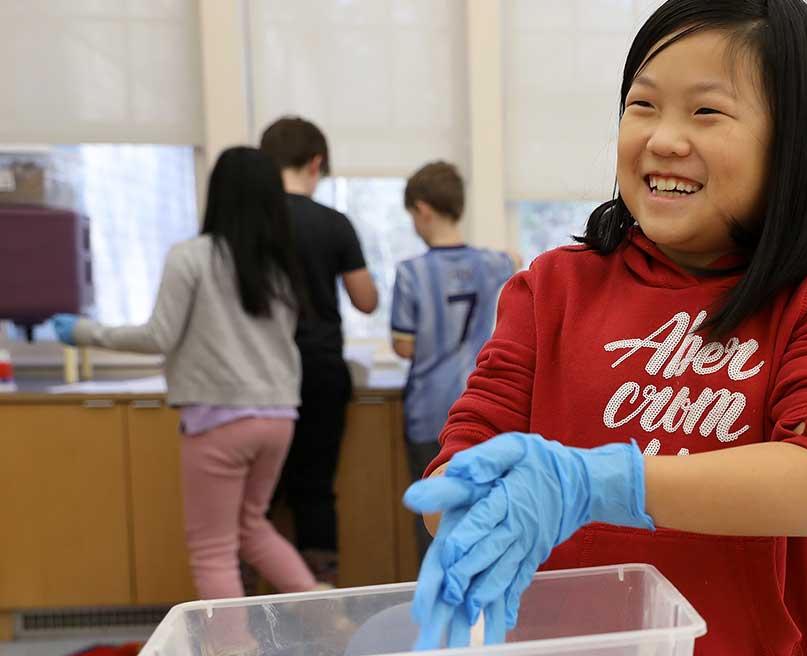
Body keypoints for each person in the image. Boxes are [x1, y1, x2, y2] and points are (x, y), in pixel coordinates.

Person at [402, 0, 807, 656]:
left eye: (706, 112)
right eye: (643, 105)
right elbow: (453, 474)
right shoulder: (552, 288)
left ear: (795, 143)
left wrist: (600, 482)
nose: (663, 139)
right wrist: (474, 514)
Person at [51, 147, 322, 602]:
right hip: (278, 418)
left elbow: (159, 336)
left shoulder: (192, 256)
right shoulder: (281, 267)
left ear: (217, 194)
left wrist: (85, 332)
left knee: (212, 550)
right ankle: (322, 613)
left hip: (219, 420)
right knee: (251, 528)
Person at [260, 116, 378, 586]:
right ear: (316, 163)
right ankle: (318, 605)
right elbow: (365, 300)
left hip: (261, 376)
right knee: (315, 492)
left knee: (259, 503)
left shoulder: (250, 227)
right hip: (320, 371)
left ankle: (247, 617)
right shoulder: (333, 224)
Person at [389, 161, 518, 558]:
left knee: (434, 516)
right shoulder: (498, 263)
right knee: (487, 514)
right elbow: (518, 267)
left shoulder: (411, 272)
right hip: (487, 409)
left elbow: (404, 346)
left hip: (430, 411)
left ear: (423, 210)